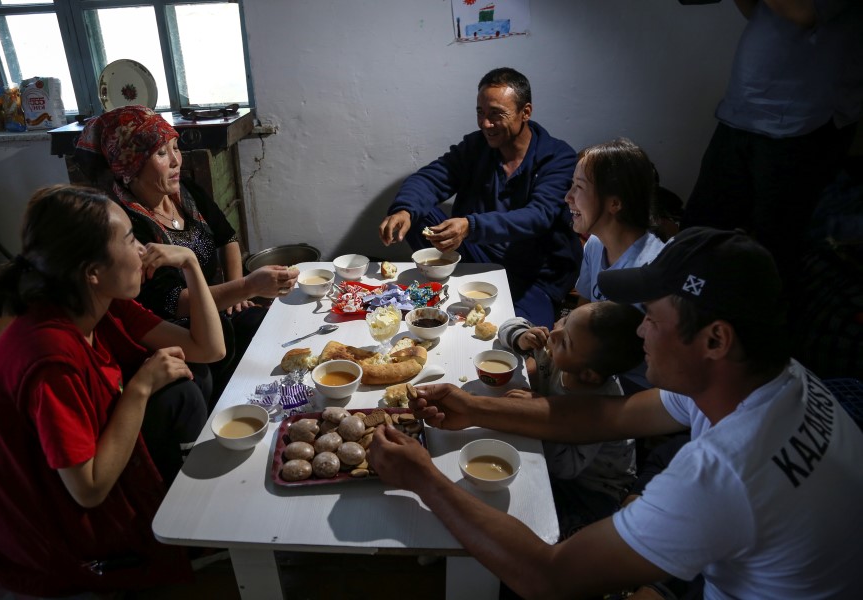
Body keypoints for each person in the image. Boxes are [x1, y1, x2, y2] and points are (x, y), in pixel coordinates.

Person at [367, 227, 863, 598]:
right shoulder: (766, 375)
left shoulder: (725, 471)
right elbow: (610, 418)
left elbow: (550, 574)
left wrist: (425, 478)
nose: (641, 333)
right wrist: (472, 407)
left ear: (715, 339)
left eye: (652, 319)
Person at [0, 185, 226, 595]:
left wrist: (191, 262)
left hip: (76, 492)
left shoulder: (97, 301)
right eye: (128, 239)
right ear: (92, 270)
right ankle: (182, 530)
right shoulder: (50, 358)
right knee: (174, 389)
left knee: (189, 378)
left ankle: (189, 517)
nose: (143, 249)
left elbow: (208, 349)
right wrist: (139, 387)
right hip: (52, 547)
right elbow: (87, 490)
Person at [75, 105, 299, 400]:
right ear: (130, 168)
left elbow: (227, 237)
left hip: (217, 302)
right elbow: (172, 302)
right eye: (161, 154)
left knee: (265, 328)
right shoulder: (128, 226)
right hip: (174, 326)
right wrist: (246, 286)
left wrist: (239, 297)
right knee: (208, 372)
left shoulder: (185, 193)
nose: (176, 161)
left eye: (176, 148)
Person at [378, 67, 582, 329]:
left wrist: (470, 226)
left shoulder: (558, 157)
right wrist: (404, 210)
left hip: (532, 276)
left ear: (525, 112)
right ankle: (448, 281)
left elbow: (538, 216)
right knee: (419, 213)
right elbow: (432, 177)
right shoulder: (476, 147)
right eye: (480, 113)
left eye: (496, 114)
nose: (486, 123)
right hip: (477, 256)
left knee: (522, 338)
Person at [681, 0, 863, 287]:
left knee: (773, 253)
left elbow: (804, 11)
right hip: (743, 111)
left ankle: (755, 327)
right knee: (699, 233)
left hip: (804, 125)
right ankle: (688, 320)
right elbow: (755, 10)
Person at [499, 301, 645, 538]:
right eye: (565, 320)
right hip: (555, 460)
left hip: (593, 489)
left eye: (566, 340)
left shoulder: (597, 409)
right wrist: (522, 336)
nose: (554, 334)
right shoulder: (557, 351)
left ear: (588, 374)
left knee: (542, 528)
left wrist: (539, 411)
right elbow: (509, 325)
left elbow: (566, 467)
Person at [566, 138, 667, 392]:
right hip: (597, 368)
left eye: (579, 187)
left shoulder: (654, 271)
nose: (568, 197)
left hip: (638, 386)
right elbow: (585, 305)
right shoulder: (594, 245)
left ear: (615, 203)